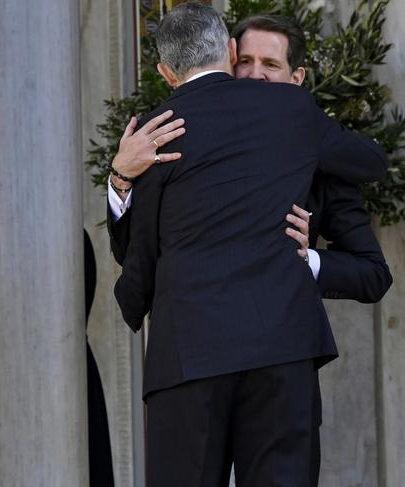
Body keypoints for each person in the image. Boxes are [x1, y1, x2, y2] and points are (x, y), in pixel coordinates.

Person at [107, 13, 393, 485]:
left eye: (271, 65)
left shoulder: (160, 128)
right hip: (257, 352)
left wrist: (310, 256)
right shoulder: (160, 137)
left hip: (205, 353)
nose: (257, 75)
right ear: (231, 56)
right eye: (249, 62)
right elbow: (371, 160)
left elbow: (137, 258)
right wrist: (121, 178)